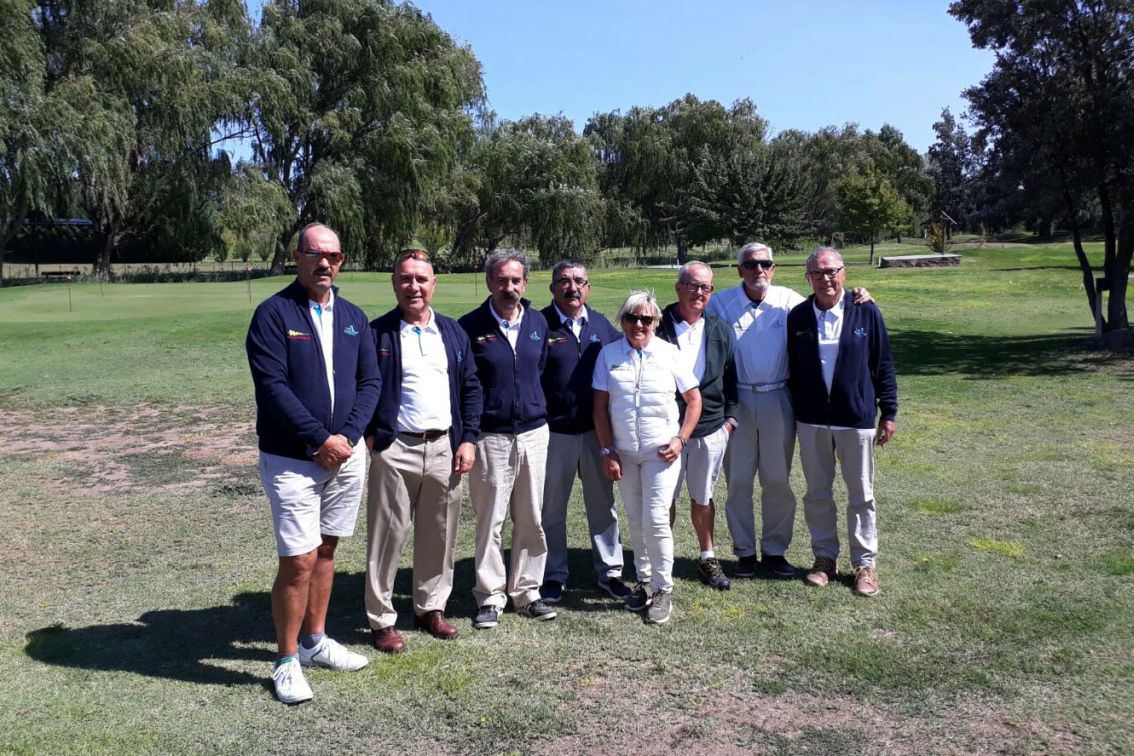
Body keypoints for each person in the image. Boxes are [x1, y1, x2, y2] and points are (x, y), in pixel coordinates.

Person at [246, 223, 380, 704]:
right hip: (292, 458)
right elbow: (273, 387)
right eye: (315, 254)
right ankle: (286, 660)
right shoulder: (273, 314)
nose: (325, 263)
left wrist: (346, 438)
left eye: (334, 256)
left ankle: (314, 641)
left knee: (326, 549)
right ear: (297, 257)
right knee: (298, 559)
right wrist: (318, 439)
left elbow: (370, 382)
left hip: (345, 454)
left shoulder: (353, 317)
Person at [708, 242, 870, 579]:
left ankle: (774, 550)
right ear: (739, 270)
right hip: (737, 399)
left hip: (779, 396)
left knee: (777, 479)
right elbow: (690, 316)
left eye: (765, 264)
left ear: (774, 268)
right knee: (738, 480)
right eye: (750, 265)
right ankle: (744, 552)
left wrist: (860, 296)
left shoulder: (790, 302)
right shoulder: (721, 303)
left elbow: (830, 302)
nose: (758, 270)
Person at [363, 247, 482, 653]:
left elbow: (470, 387)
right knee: (387, 536)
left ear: (434, 284)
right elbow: (363, 387)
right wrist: (371, 435)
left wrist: (468, 439)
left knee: (439, 534)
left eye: (421, 279)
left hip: (445, 446)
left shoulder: (452, 332)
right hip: (395, 448)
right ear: (394, 283)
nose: (413, 286)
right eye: (405, 278)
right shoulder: (378, 333)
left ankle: (430, 607)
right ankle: (381, 619)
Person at [786, 247, 897, 597]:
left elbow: (882, 363)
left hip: (855, 417)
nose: (825, 279)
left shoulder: (866, 311)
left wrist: (888, 412)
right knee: (817, 493)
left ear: (844, 273)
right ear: (808, 278)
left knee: (861, 494)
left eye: (831, 271)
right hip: (813, 420)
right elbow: (792, 367)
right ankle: (824, 558)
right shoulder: (798, 316)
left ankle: (865, 564)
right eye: (817, 273)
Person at [458, 249, 557, 629]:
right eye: (501, 280)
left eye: (516, 280)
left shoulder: (537, 322)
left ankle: (527, 591)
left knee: (531, 518)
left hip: (533, 433)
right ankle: (490, 595)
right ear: (489, 282)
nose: (509, 287)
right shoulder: (470, 326)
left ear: (525, 283)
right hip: (490, 437)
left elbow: (539, 371)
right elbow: (465, 385)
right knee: (491, 521)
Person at [593, 291, 702, 625]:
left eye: (646, 319)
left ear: (656, 322)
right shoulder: (609, 354)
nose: (638, 325)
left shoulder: (669, 354)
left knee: (656, 519)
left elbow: (694, 400)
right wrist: (608, 451)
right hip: (625, 455)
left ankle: (662, 588)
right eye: (631, 318)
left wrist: (681, 439)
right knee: (636, 520)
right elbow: (600, 408)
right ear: (622, 320)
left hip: (661, 454)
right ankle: (644, 582)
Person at [538, 260, 630, 604]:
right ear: (553, 288)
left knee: (602, 506)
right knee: (551, 509)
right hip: (554, 434)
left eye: (579, 281)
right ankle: (553, 573)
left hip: (595, 434)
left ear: (588, 288)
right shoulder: (539, 324)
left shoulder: (602, 326)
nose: (572, 287)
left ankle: (610, 571)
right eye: (564, 281)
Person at [656, 262, 739, 591]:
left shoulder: (720, 328)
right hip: (666, 428)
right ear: (678, 288)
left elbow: (731, 378)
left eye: (705, 287)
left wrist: (729, 421)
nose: (699, 292)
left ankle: (707, 557)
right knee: (664, 498)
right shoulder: (656, 324)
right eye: (692, 285)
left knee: (703, 497)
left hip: (710, 428)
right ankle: (661, 559)